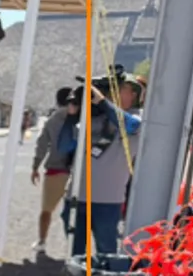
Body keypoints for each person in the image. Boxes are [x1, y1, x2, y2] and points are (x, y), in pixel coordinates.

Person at [70, 82, 141, 257]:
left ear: (134, 94)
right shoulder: (94, 117)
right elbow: (64, 145)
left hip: (108, 200)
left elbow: (132, 126)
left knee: (107, 253)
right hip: (78, 197)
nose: (112, 93)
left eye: (120, 89)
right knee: (75, 254)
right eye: (109, 90)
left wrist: (102, 102)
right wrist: (74, 112)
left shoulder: (138, 118)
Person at [30, 87, 81, 254]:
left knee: (46, 209)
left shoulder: (53, 119)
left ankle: (42, 241)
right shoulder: (86, 117)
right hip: (79, 170)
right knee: (78, 211)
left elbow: (42, 144)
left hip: (56, 169)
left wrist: (35, 166)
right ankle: (76, 247)